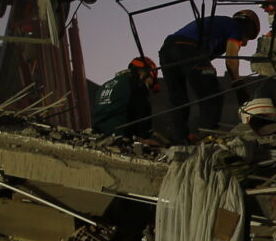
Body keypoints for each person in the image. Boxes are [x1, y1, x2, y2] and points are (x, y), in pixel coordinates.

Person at [157, 10, 260, 144]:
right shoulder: (237, 26)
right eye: (247, 38)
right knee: (212, 94)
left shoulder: (219, 26)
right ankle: (207, 136)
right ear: (249, 26)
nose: (244, 43)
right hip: (189, 48)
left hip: (167, 49)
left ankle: (180, 139)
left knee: (178, 98)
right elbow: (231, 59)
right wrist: (238, 83)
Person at [93, 57, 159, 139]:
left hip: (97, 134)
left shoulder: (105, 85)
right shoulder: (137, 84)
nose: (148, 88)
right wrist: (146, 137)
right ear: (143, 74)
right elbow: (143, 113)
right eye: (150, 83)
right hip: (120, 136)